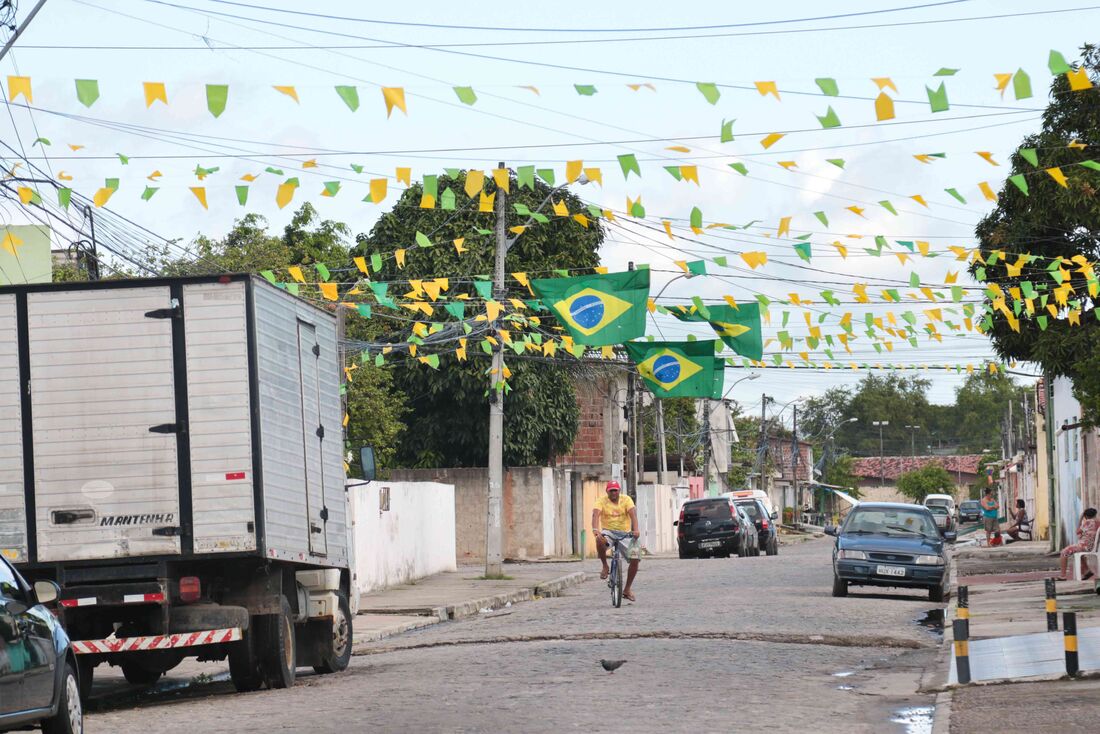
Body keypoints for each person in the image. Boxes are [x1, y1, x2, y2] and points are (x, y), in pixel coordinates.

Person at [592, 480, 640, 602]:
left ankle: (627, 589)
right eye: (611, 490)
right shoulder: (601, 501)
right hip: (608, 532)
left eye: (615, 490)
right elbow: (596, 515)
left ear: (619, 491)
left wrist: (636, 530)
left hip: (625, 533)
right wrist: (596, 530)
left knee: (635, 558)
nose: (613, 493)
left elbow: (633, 515)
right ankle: (605, 566)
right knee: (599, 540)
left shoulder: (626, 500)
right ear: (607, 491)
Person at [1058, 508, 1099, 581]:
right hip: (1091, 546)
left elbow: (1078, 532)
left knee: (1063, 552)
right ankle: (1087, 571)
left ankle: (1063, 576)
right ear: (1095, 514)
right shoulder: (1098, 522)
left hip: (1085, 546)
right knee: (1079, 554)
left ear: (1085, 516)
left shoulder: (1087, 522)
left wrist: (1080, 519)